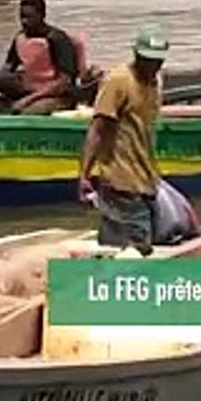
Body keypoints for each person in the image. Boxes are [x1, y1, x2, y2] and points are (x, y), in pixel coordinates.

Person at [77, 27, 172, 256]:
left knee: (114, 244)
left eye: (157, 61)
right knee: (138, 245)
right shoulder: (119, 81)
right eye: (147, 60)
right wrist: (84, 174)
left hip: (145, 179)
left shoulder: (155, 82)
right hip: (120, 179)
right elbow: (97, 130)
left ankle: (101, 283)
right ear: (136, 56)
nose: (152, 66)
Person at [0, 0, 79, 115]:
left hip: (56, 94)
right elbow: (9, 68)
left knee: (27, 111)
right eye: (22, 17)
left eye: (29, 17)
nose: (24, 22)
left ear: (42, 16)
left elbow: (63, 83)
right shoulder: (20, 38)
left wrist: (29, 99)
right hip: (30, 87)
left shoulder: (57, 39)